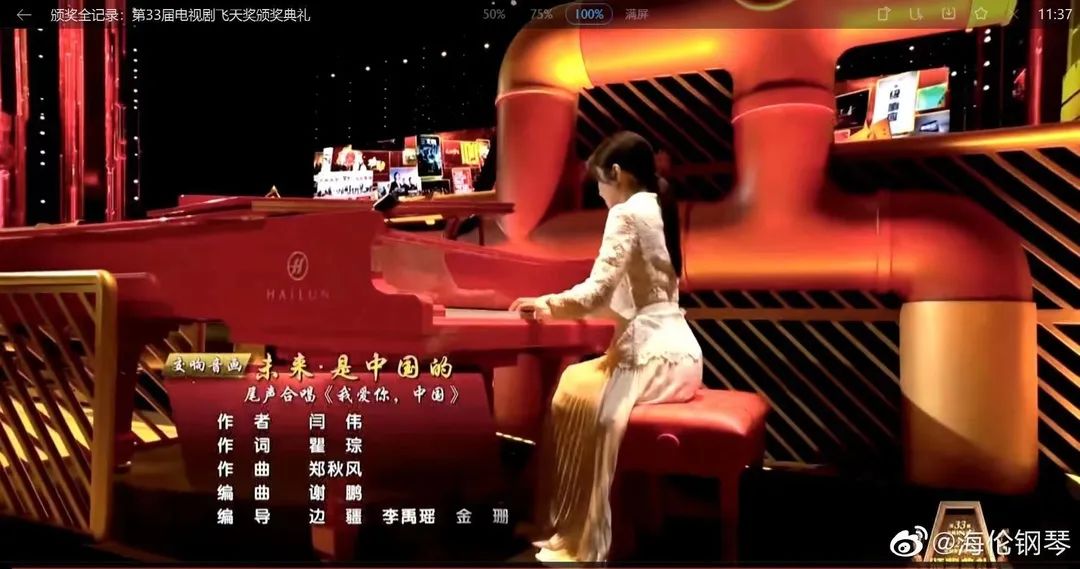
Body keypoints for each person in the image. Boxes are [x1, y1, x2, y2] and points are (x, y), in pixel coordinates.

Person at [510, 131, 703, 563]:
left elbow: (597, 292)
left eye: (599, 181)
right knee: (578, 379)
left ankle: (579, 523)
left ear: (616, 174)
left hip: (651, 357)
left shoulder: (626, 213)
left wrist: (547, 304)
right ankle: (617, 514)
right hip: (685, 358)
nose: (598, 193)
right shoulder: (660, 206)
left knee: (569, 389)